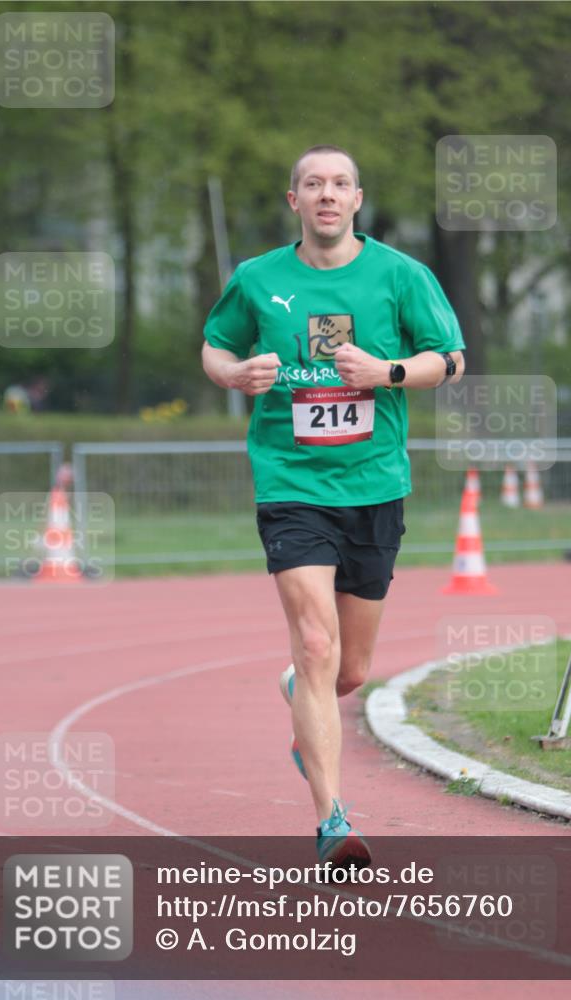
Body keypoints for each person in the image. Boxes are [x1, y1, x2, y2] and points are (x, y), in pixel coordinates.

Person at [202, 145, 465, 867]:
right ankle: (331, 822)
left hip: (374, 485)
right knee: (316, 646)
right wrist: (236, 374)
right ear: (294, 201)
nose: (326, 194)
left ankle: (301, 695)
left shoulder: (400, 275)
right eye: (313, 184)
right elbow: (215, 347)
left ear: (356, 200)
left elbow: (450, 359)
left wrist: (388, 371)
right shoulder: (257, 278)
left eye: (339, 184)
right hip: (291, 484)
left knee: (348, 672)